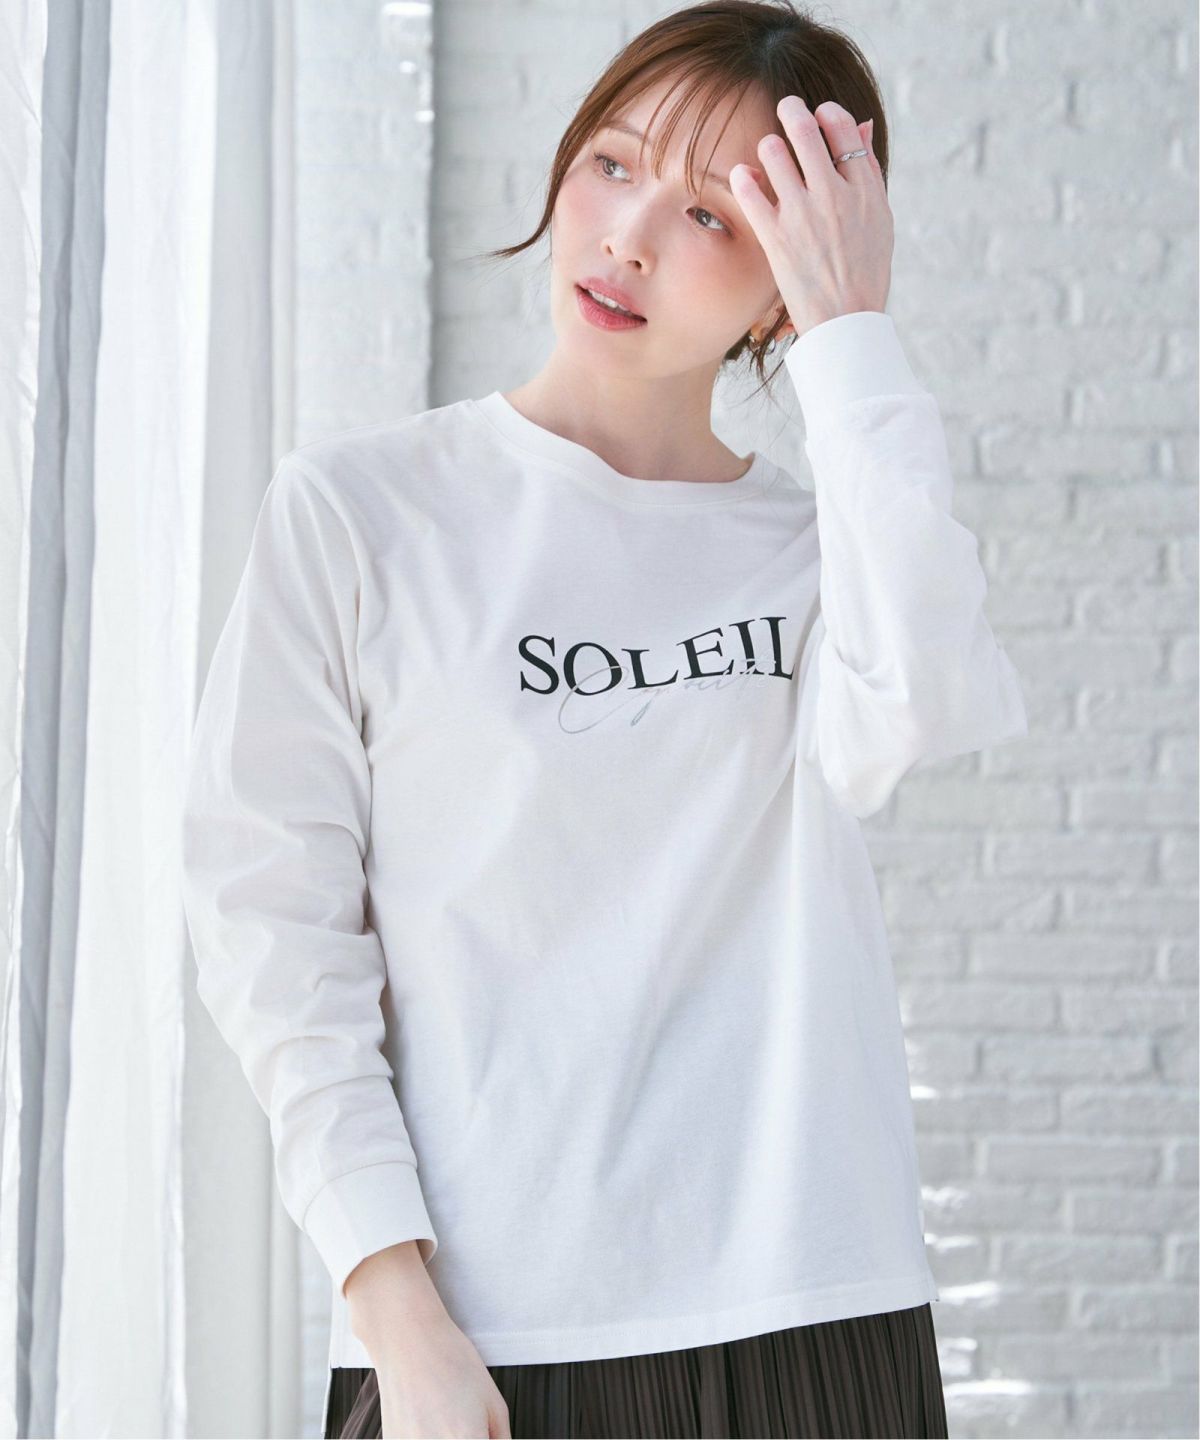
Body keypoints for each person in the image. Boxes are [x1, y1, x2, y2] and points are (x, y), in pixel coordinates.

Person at [180, 2, 1029, 1436]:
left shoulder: (821, 551)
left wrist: (854, 338)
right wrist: (395, 1309)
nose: (629, 235)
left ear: (784, 284)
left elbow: (921, 708)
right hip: (485, 1323)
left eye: (711, 215)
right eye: (613, 164)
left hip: (814, 1304)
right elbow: (272, 939)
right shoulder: (362, 512)